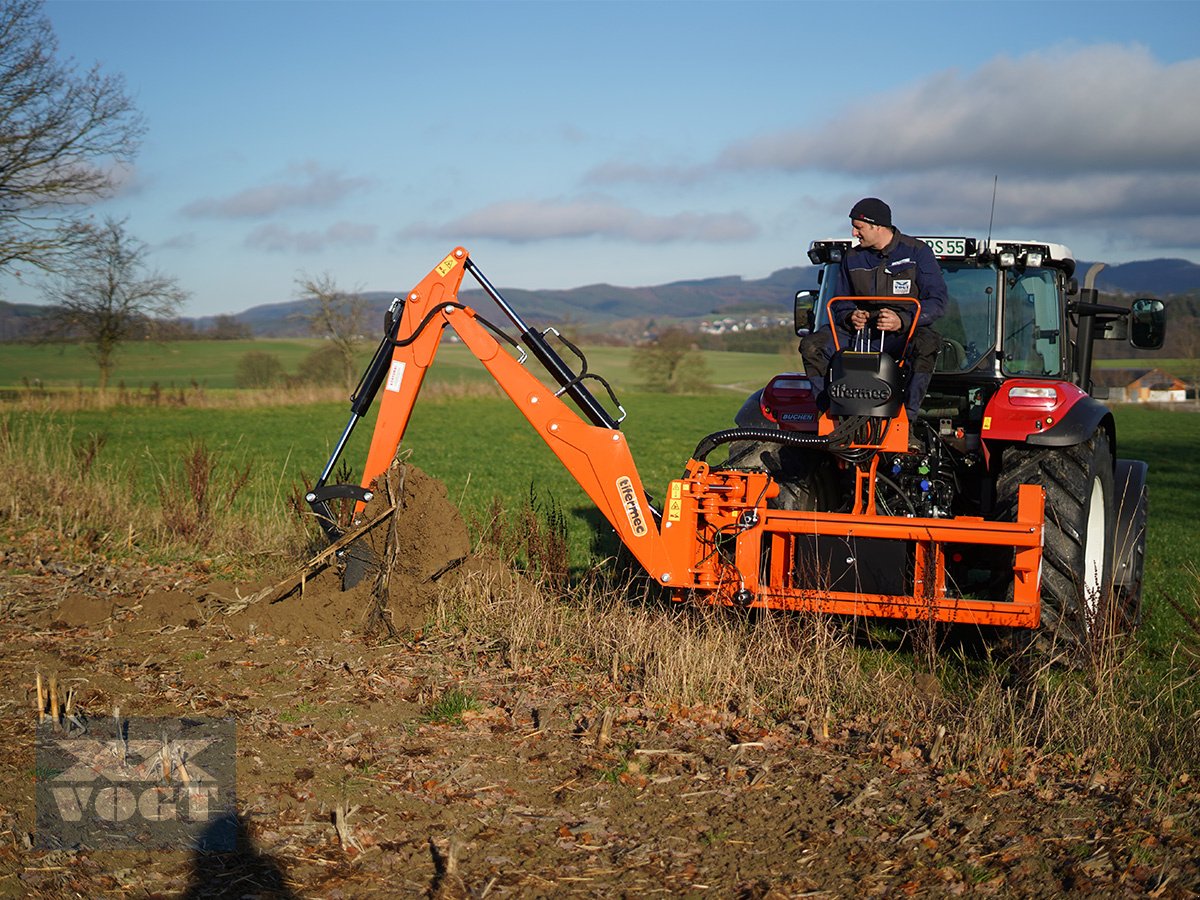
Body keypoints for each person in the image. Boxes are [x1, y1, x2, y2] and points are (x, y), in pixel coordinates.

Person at [800, 198, 948, 448]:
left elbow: (937, 301)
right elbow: (840, 302)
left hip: (900, 336)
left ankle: (906, 421)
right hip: (860, 336)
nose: (854, 233)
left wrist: (902, 320)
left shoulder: (917, 252)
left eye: (858, 227)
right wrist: (850, 316)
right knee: (812, 346)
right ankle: (831, 416)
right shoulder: (852, 257)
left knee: (927, 343)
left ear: (877, 226)